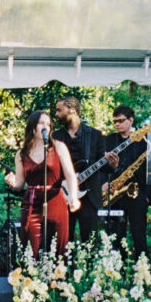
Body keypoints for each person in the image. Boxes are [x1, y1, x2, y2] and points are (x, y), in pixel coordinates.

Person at [4, 110, 81, 256]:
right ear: (33, 127)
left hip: (55, 198)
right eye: (41, 123)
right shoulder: (22, 154)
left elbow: (70, 175)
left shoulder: (59, 147)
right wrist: (13, 182)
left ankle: (57, 279)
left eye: (48, 124)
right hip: (32, 201)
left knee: (59, 250)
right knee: (29, 250)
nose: (45, 127)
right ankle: (30, 277)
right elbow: (20, 183)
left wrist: (73, 196)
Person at [103, 105, 151, 258]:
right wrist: (105, 182)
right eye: (115, 121)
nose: (117, 124)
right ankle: (118, 272)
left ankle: (142, 270)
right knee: (116, 237)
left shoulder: (144, 140)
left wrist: (147, 196)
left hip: (137, 194)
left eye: (121, 121)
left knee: (139, 236)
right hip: (115, 195)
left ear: (131, 120)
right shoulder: (109, 140)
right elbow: (102, 166)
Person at [52, 96, 105, 242]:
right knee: (62, 242)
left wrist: (112, 164)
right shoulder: (55, 137)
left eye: (59, 110)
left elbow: (105, 167)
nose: (56, 114)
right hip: (62, 195)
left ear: (72, 110)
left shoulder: (95, 135)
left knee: (90, 243)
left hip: (89, 196)